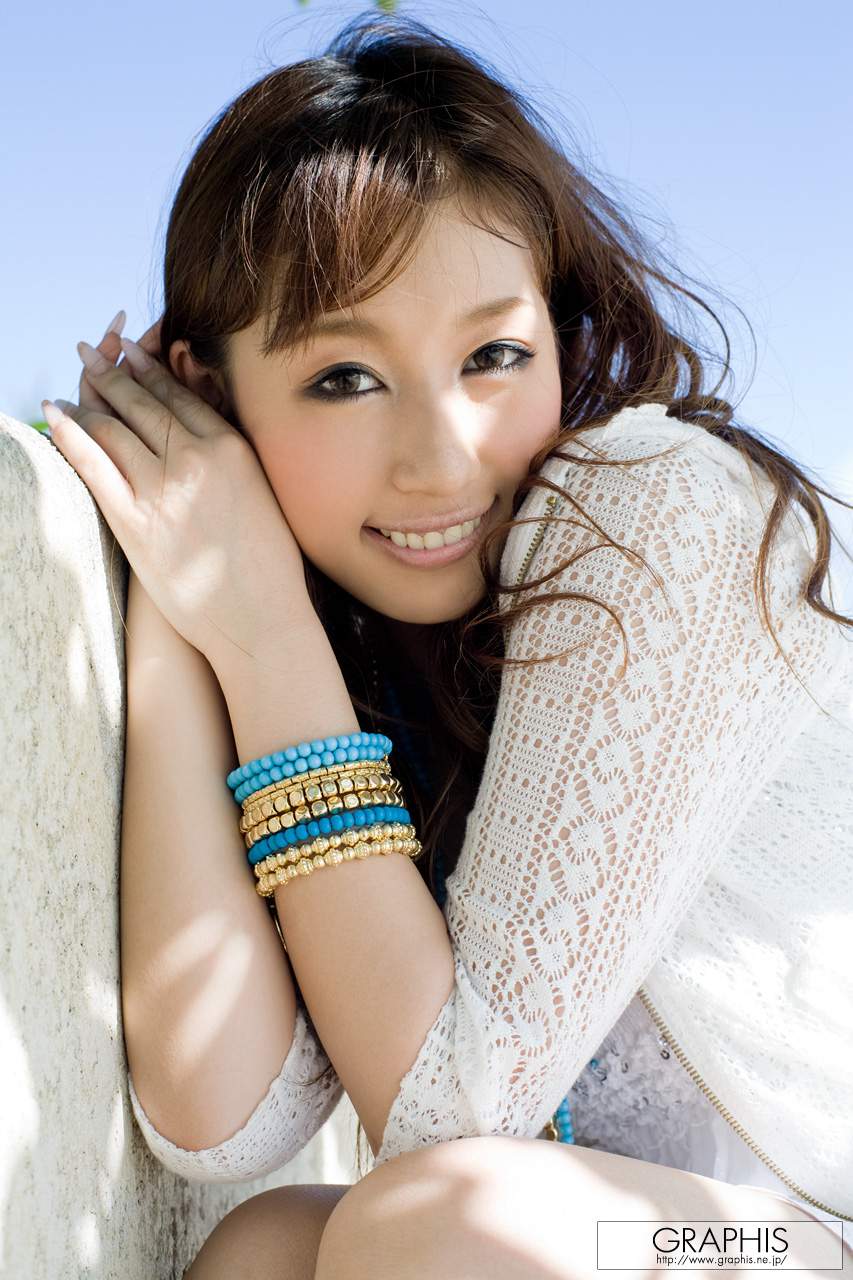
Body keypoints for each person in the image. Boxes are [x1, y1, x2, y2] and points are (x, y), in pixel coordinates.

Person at [48, 13, 852, 1278]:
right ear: (215, 397)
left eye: (493, 355)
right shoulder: (366, 636)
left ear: (563, 341)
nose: (442, 457)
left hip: (797, 1234)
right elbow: (215, 1110)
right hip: (654, 1233)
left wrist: (265, 637)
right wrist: (186, 597)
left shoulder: (649, 507)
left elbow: (447, 1118)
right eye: (344, 378)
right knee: (263, 1248)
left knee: (432, 1220)